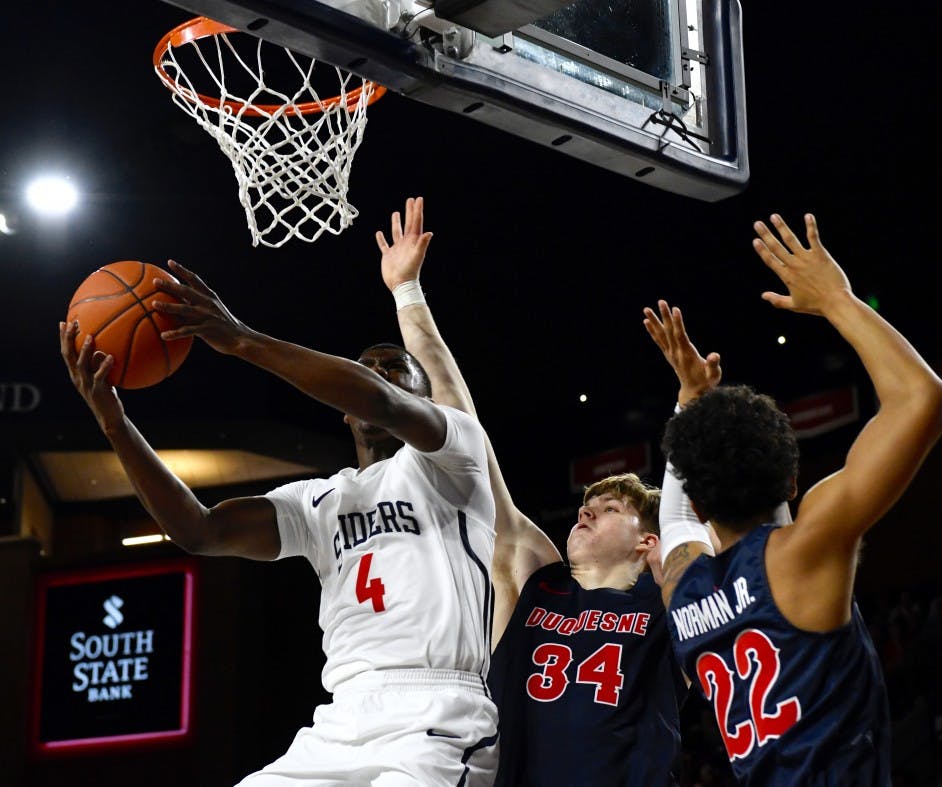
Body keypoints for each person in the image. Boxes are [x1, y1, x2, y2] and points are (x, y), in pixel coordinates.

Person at [59, 251, 499, 785]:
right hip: (342, 718)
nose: (377, 376)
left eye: (393, 369)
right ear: (341, 407)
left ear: (424, 399)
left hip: (437, 717)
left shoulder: (454, 457)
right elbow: (200, 531)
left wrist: (241, 338)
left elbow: (383, 404)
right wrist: (114, 424)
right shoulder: (319, 501)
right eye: (365, 369)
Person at [374, 196, 700, 786]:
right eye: (588, 503)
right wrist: (407, 293)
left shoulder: (668, 601)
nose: (586, 510)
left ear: (646, 539)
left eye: (610, 508)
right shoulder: (535, 579)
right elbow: (461, 428)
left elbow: (693, 515)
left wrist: (690, 405)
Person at [653, 213, 942, 784]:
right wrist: (836, 299)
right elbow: (922, 399)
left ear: (698, 500)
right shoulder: (805, 550)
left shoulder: (681, 587)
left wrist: (689, 398)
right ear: (792, 482)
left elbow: (672, 520)